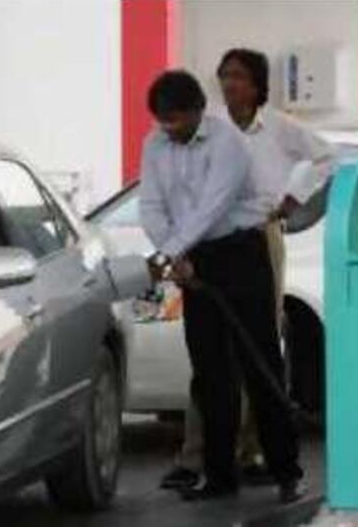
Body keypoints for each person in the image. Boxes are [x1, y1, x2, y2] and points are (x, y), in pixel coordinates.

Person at [140, 69, 305, 504]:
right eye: (163, 122)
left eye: (176, 120)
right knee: (211, 373)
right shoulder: (155, 144)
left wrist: (168, 254)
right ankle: (218, 476)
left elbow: (213, 206)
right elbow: (152, 205)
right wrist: (173, 254)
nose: (169, 129)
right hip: (194, 260)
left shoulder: (226, 141)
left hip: (239, 254)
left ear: (197, 110)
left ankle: (286, 470)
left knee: (260, 361)